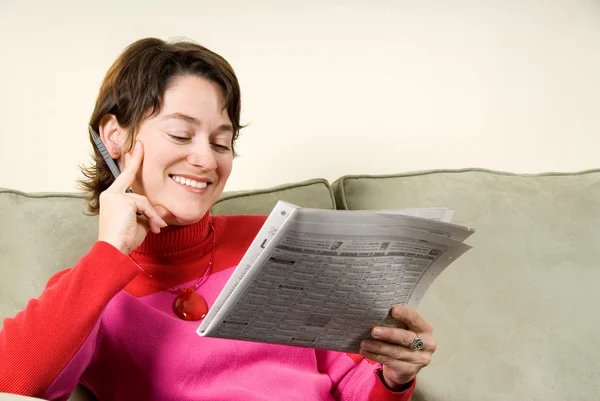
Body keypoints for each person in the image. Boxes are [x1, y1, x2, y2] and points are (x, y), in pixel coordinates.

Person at [0, 37, 436, 401]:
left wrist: (392, 376)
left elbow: (349, 384)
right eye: (180, 134)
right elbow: (11, 382)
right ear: (114, 136)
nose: (206, 159)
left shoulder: (277, 242)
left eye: (222, 142)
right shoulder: (88, 287)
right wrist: (110, 252)